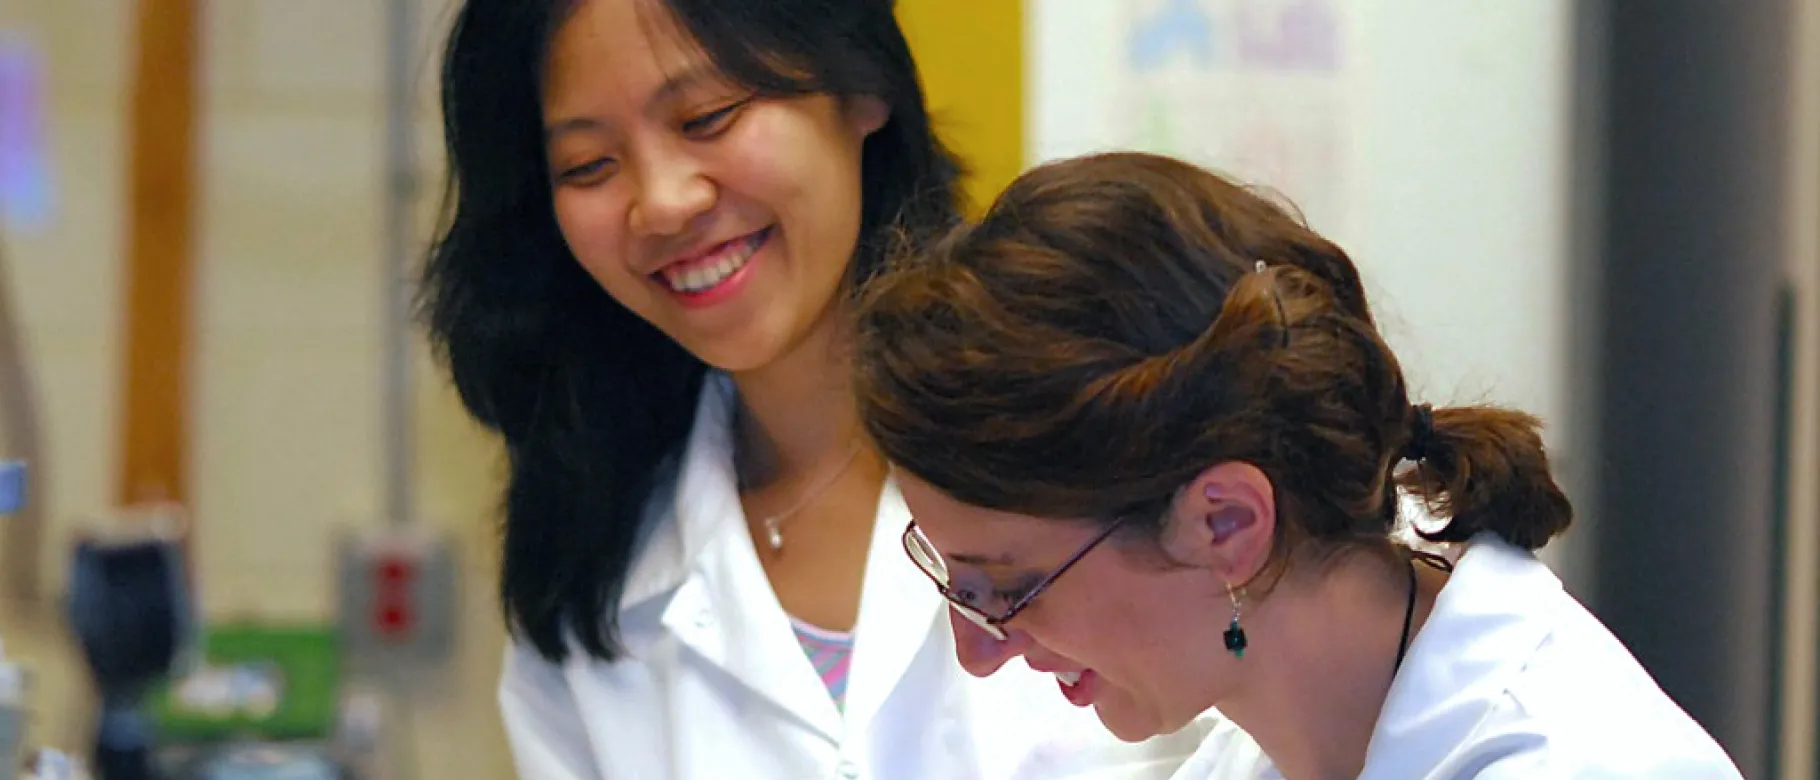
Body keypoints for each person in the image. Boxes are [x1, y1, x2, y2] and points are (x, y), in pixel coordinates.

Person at [420, 2, 1260, 778]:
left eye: (707, 117)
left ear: (860, 84)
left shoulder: (1131, 402)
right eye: (588, 164)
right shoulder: (588, 574)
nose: (663, 204)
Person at [851, 151, 1747, 779]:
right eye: (953, 580)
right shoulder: (1271, 743)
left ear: (1227, 523)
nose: (978, 652)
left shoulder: (1579, 763)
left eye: (1007, 587)